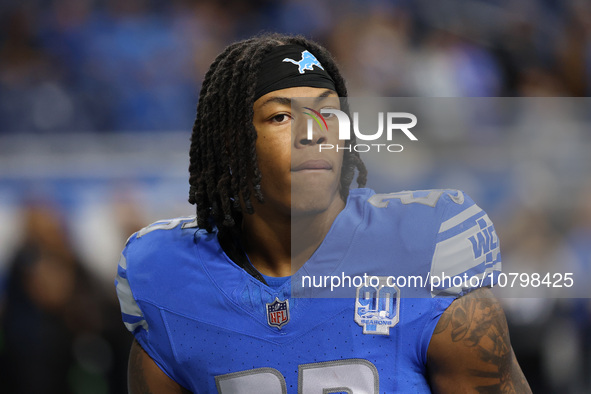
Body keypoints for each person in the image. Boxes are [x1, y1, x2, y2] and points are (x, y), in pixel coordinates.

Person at [115, 33, 531, 393]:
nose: (313, 131)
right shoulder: (167, 280)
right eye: (281, 116)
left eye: (327, 113)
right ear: (230, 143)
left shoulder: (427, 250)